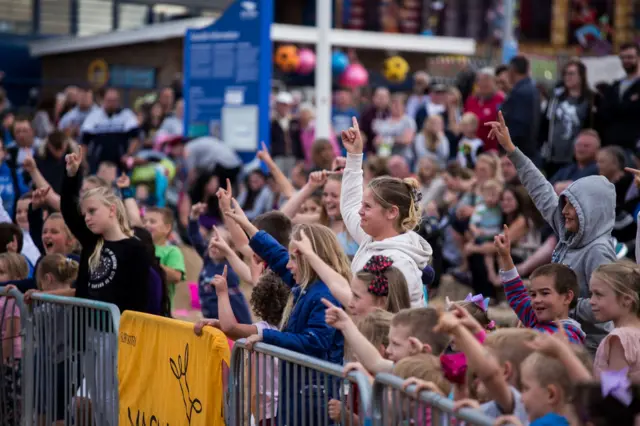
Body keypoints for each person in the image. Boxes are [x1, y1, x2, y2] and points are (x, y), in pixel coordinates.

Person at [488, 111, 614, 352]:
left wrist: (562, 304)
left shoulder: (598, 251)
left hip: (582, 348)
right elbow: (542, 191)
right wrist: (512, 150)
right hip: (551, 328)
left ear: (591, 210)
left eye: (572, 206)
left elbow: (606, 306)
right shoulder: (570, 231)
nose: (564, 211)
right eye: (565, 203)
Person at [341, 117, 432, 307]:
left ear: (391, 212)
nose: (360, 211)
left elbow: (396, 320)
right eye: (362, 205)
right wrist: (355, 156)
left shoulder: (400, 262)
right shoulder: (371, 238)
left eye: (367, 206)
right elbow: (349, 205)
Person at [495, 228, 585, 344]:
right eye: (533, 294)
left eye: (545, 293)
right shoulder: (534, 317)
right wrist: (505, 256)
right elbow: (517, 294)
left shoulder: (567, 338)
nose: (536, 300)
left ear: (567, 297)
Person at [188, 202, 251, 324]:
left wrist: (248, 328)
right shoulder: (208, 258)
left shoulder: (229, 273)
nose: (214, 244)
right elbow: (195, 238)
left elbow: (238, 303)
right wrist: (193, 217)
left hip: (221, 323)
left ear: (231, 250)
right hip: (207, 318)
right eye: (213, 238)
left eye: (220, 242)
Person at [540, 59, 600, 178]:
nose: (567, 77)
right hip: (553, 156)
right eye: (565, 74)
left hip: (578, 156)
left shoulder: (592, 99)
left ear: (581, 76)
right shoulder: (556, 99)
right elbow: (545, 124)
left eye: (571, 73)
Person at [590, 262, 640, 381]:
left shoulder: (620, 338)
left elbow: (615, 393)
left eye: (598, 294)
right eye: (590, 294)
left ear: (627, 299)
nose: (591, 301)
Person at [80, 88, 141, 174]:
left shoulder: (126, 115)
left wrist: (129, 154)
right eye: (109, 100)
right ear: (103, 100)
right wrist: (83, 160)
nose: (112, 103)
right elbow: (84, 141)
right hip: (97, 161)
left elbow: (135, 137)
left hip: (120, 163)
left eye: (114, 100)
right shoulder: (94, 116)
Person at [599, 42, 640, 150]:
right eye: (623, 57)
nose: (626, 61)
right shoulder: (614, 86)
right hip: (612, 145)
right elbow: (604, 113)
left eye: (630, 57)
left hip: (635, 146)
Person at [142, 207, 185, 309]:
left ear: (167, 228)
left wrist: (151, 261)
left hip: (160, 309)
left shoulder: (172, 251)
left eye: (152, 222)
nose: (147, 224)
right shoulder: (138, 246)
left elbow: (176, 276)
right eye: (144, 221)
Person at [500, 56, 540, 160]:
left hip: (521, 151)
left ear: (512, 70)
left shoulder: (521, 92)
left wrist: (508, 146)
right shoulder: (530, 89)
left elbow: (519, 125)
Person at [464, 67, 505, 152]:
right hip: (469, 147)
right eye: (480, 80)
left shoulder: (501, 99)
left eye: (487, 80)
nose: (483, 83)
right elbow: (464, 124)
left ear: (495, 83)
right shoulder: (471, 100)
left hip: (492, 151)